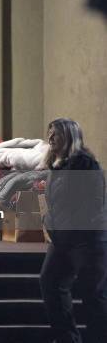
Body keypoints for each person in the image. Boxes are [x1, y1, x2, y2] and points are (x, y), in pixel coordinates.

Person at [40, 118, 107, 343]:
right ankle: (67, 338)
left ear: (69, 137)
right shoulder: (54, 164)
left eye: (55, 134)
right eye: (49, 133)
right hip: (61, 241)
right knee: (50, 282)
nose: (50, 138)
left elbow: (94, 203)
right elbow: (55, 203)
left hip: (87, 241)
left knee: (93, 296)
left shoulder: (85, 163)